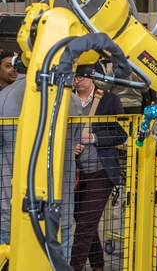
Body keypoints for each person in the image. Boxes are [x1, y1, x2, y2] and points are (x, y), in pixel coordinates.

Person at [0, 74, 82, 264]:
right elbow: (76, 140)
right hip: (60, 209)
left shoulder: (3, 99)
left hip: (11, 211)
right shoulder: (73, 100)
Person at [70, 69, 128, 271]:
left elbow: (121, 134)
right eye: (73, 76)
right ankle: (98, 265)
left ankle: (73, 267)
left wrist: (93, 137)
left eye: (81, 76)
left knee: (85, 226)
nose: (76, 81)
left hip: (102, 171)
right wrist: (71, 146)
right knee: (84, 220)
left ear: (92, 76)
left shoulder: (109, 100)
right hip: (74, 172)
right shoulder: (66, 100)